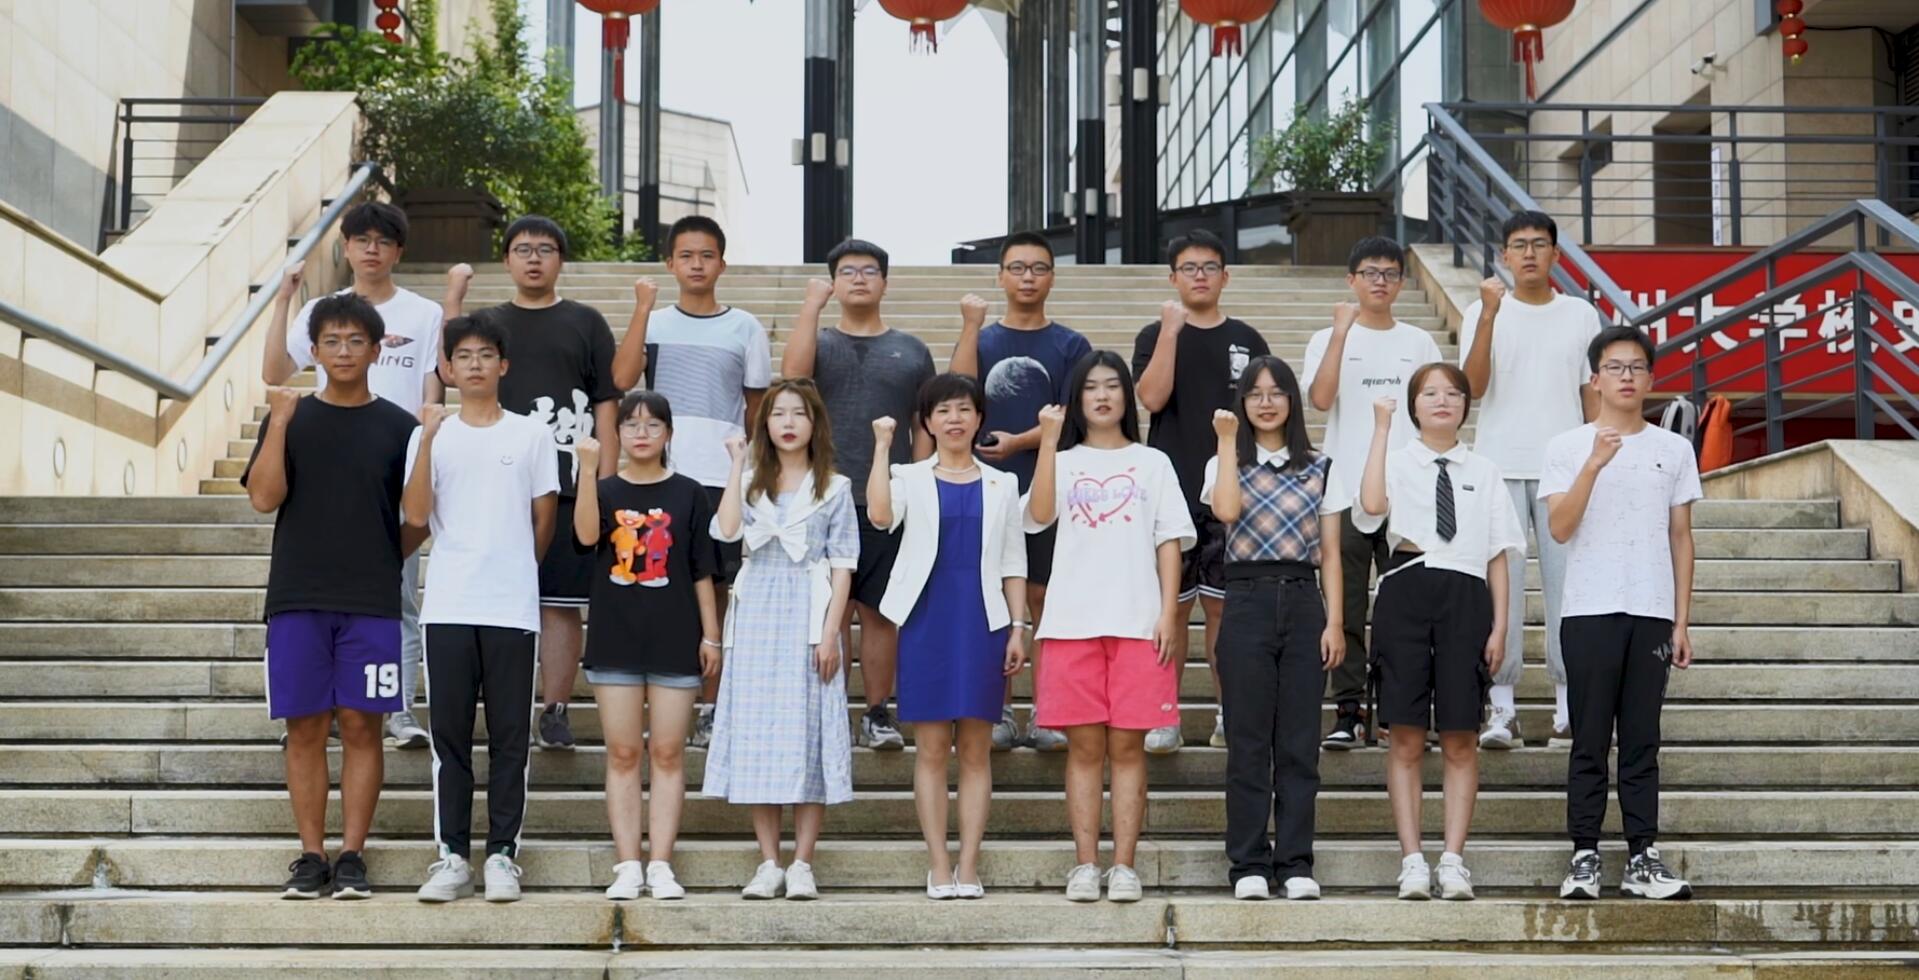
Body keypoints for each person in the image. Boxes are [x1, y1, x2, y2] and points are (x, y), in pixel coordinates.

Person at [243, 293, 421, 900]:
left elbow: (419, 515)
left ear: (376, 351)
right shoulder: (290, 416)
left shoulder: (401, 427)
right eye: (331, 342)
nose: (343, 351)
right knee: (306, 728)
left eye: (355, 341)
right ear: (314, 352)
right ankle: (312, 854)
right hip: (298, 597)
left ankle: (352, 855)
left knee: (364, 728)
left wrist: (383, 556)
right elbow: (263, 498)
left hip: (371, 603)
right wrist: (280, 423)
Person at [260, 201, 448, 750]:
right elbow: (275, 372)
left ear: (399, 251)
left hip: (394, 457)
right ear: (345, 248)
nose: (371, 249)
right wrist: (283, 299)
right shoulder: (322, 310)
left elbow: (431, 388)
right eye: (361, 240)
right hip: (329, 457)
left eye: (383, 241)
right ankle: (319, 709)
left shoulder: (423, 313)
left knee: (399, 593)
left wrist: (425, 447)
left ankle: (397, 709)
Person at [1026, 351, 1195, 903]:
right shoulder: (1064, 459)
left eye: (1112, 386)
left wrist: (1167, 612)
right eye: (1091, 387)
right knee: (1083, 749)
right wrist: (1047, 441)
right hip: (1072, 621)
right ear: (1077, 399)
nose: (1102, 396)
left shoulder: (1152, 462)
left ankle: (1123, 865)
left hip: (1137, 622)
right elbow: (1040, 515)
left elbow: (1169, 541)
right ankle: (1084, 864)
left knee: (1127, 748)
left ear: (1126, 395)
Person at [401, 317, 559, 904]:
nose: (474, 364)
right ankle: (451, 855)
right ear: (447, 367)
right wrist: (427, 438)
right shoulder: (430, 434)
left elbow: (544, 519)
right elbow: (416, 515)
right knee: (450, 737)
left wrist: (514, 567)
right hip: (448, 602)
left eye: (485, 354)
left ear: (503, 365)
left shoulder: (531, 434)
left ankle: (501, 855)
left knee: (511, 736)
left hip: (511, 606)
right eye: (462, 355)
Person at [1354, 363, 1524, 902]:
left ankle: (1453, 860)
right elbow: (1372, 507)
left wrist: (1501, 626)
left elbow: (1498, 555)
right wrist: (1381, 429)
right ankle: (1411, 860)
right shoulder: (1396, 459)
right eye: (1429, 393)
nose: (1442, 401)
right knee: (1405, 735)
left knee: (1460, 735)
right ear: (1414, 406)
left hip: (1466, 596)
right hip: (1406, 589)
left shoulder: (1485, 470)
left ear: (1466, 406)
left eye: (1453, 393)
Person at [1543, 326, 1699, 902]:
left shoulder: (1673, 450)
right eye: (1614, 367)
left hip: (1652, 610)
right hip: (1588, 609)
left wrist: (1681, 621)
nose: (1626, 376)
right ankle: (1584, 854)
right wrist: (1594, 464)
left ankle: (1642, 857)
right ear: (1595, 379)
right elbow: (1560, 529)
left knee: (1641, 739)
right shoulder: (1567, 447)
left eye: (1637, 367)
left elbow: (1681, 537)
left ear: (1651, 379)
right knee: (1589, 738)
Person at [458, 216, 621, 751]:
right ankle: (498, 706)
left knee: (559, 601)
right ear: (506, 259)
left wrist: (605, 480)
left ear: (560, 260)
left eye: (545, 249)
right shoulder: (488, 323)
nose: (533, 258)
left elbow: (606, 403)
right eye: (523, 249)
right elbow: (456, 379)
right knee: (493, 598)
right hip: (495, 482)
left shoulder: (585, 322)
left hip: (570, 483)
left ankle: (554, 709)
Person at [608, 215, 770, 750]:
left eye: (706, 256)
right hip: (659, 476)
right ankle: (656, 699)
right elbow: (621, 379)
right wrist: (641, 309)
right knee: (656, 581)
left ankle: (711, 705)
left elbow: (756, 408)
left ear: (722, 263)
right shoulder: (654, 322)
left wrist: (751, 472)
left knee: (714, 588)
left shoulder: (744, 327)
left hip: (720, 478)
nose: (696, 265)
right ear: (670, 263)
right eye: (685, 256)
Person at [866, 374, 1030, 900]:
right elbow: (879, 515)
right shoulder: (909, 476)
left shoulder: (1002, 484)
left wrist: (1018, 626)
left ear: (979, 418)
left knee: (977, 750)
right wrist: (882, 447)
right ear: (928, 422)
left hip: (983, 620)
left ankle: (969, 864)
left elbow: (1013, 561)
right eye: (943, 411)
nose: (954, 419)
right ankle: (939, 863)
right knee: (933, 749)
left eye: (963, 409)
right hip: (926, 620)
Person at [780, 239, 936, 752]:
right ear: (833, 282)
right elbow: (792, 377)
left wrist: (918, 485)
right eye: (847, 271)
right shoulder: (819, 339)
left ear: (885, 283)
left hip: (885, 499)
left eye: (870, 271)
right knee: (822, 610)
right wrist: (811, 305)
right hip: (820, 497)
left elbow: (923, 424)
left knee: (878, 612)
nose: (859, 279)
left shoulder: (911, 350)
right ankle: (818, 711)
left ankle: (875, 713)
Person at [706, 378, 859, 901]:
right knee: (759, 736)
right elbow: (727, 532)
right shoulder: (751, 482)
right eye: (778, 414)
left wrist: (831, 632)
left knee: (807, 734)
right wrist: (736, 465)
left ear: (815, 423)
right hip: (756, 614)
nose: (788, 423)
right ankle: (769, 860)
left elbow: (843, 565)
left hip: (809, 610)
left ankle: (803, 862)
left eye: (798, 413)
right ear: (764, 424)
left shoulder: (834, 487)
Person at [1203, 356, 1347, 902]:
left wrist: (1336, 621)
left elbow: (1330, 552)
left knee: (1298, 743)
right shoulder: (1225, 460)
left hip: (1304, 600)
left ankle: (1295, 862)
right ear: (1242, 401)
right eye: (1255, 393)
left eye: (1277, 392)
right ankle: (1248, 864)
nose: (1266, 402)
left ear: (1292, 400)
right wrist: (1226, 441)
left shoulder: (1320, 466)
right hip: (1245, 600)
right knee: (1247, 741)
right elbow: (1226, 511)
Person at [1459, 211, 1603, 749]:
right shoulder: (1482, 310)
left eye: (1539, 245)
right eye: (1518, 245)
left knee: (1570, 590)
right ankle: (1502, 708)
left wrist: (1598, 461)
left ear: (1556, 255)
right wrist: (1489, 316)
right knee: (1502, 592)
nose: (1528, 254)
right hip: (1498, 465)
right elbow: (1472, 387)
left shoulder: (1580, 314)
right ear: (1504, 255)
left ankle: (1569, 708)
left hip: (1565, 470)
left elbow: (1592, 395)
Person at [574, 391, 722, 902]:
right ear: (618, 434)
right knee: (622, 752)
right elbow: (585, 536)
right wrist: (587, 472)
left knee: (667, 751)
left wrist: (711, 635)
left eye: (652, 425)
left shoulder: (690, 493)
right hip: (615, 635)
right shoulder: (605, 489)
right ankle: (627, 864)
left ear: (669, 433)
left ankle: (660, 862)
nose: (641, 433)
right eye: (632, 424)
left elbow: (702, 570)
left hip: (675, 634)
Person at [947, 231, 1091, 752]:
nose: (1028, 277)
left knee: (1044, 598)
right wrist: (970, 325)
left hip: (1048, 487)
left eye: (1039, 268)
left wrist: (1019, 442)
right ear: (1000, 276)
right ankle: (1000, 711)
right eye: (1017, 268)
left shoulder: (1071, 345)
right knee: (993, 600)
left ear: (1052, 277)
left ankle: (1048, 711)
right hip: (985, 491)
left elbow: (1073, 415)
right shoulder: (982, 340)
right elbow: (957, 395)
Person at [1131, 229, 1272, 755]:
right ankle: (1162, 714)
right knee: (1168, 611)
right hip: (1169, 492)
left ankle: (1227, 713)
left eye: (1209, 267)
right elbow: (1151, 398)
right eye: (1188, 268)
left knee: (1223, 614)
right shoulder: (1155, 334)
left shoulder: (1248, 338)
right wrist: (1171, 332)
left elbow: (1267, 412)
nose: (1199, 276)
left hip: (1230, 495)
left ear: (1225, 276)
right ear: (1172, 278)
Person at [1303, 236, 1444, 749]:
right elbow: (1320, 400)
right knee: (1344, 605)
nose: (1379, 281)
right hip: (1342, 490)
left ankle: (1397, 711)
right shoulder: (1327, 337)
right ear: (1352, 280)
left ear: (1402, 282)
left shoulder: (1419, 342)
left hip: (1406, 495)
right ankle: (1349, 710)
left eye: (1389, 273)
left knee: (1404, 612)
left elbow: (1436, 413)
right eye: (1369, 272)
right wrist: (1342, 333)